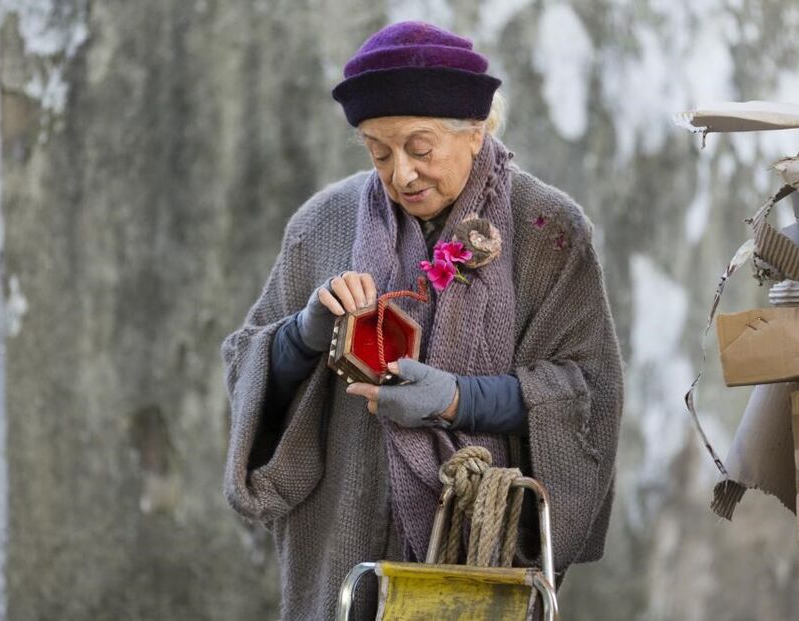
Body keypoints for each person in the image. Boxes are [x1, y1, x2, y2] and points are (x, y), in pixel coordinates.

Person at [220, 20, 624, 620]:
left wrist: (459, 400)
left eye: (420, 147)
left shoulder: (548, 231)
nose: (401, 174)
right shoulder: (322, 224)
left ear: (477, 131)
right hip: (341, 546)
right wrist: (301, 338)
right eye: (378, 152)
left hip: (478, 554)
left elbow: (588, 393)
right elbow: (248, 366)